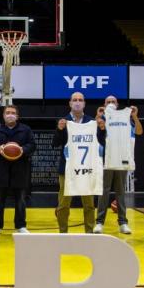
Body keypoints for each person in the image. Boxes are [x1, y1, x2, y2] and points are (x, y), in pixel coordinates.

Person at [53, 92, 105, 233]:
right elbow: (55, 143)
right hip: (67, 169)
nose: (77, 102)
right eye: (75, 100)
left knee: (89, 204)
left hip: (87, 169)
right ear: (70, 103)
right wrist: (59, 130)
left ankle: (89, 233)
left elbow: (102, 143)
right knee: (63, 204)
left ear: (84, 103)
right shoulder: (64, 121)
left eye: (80, 100)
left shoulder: (92, 122)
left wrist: (102, 129)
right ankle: (63, 233)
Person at [93, 95, 143, 235]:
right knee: (104, 191)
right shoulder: (101, 118)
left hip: (121, 159)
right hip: (106, 160)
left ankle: (123, 222)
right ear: (104, 104)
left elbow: (139, 132)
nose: (111, 103)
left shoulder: (125, 118)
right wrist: (98, 117)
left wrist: (134, 116)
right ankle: (99, 222)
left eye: (113, 101)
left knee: (120, 192)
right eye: (108, 101)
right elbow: (93, 134)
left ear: (117, 104)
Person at [0, 105, 36, 236]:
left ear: (17, 116)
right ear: (3, 115)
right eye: (7, 112)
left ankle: (21, 225)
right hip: (0, 169)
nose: (10, 115)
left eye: (13, 113)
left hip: (20, 169)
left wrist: (22, 149)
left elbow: (32, 145)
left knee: (20, 200)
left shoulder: (25, 129)